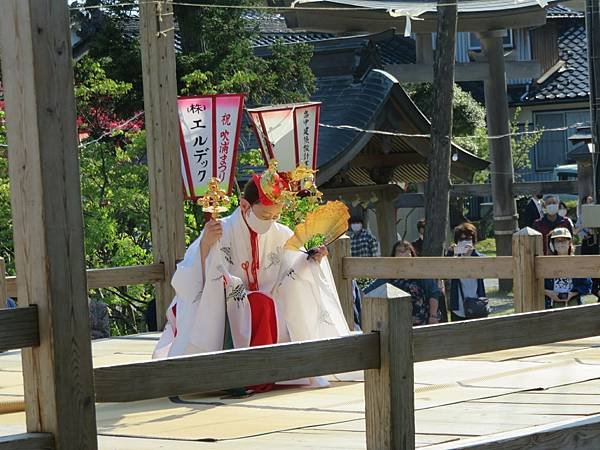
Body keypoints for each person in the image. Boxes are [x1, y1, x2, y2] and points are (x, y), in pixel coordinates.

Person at [153, 167, 349, 390]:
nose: (271, 221)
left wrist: (310, 260)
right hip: (226, 305)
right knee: (259, 304)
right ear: (245, 205)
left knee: (264, 305)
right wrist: (206, 244)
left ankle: (269, 373)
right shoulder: (220, 230)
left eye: (276, 215)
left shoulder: (282, 233)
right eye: (265, 215)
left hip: (267, 308)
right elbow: (190, 276)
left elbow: (289, 275)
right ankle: (248, 376)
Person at [364, 241, 441, 326]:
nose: (403, 252)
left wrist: (433, 316)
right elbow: (368, 291)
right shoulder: (388, 275)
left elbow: (434, 293)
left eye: (406, 250)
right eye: (400, 250)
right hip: (397, 323)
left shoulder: (421, 273)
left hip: (422, 323)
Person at [446, 222, 486, 322]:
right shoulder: (453, 256)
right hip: (458, 308)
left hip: (477, 305)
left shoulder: (478, 257)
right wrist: (451, 253)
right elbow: (445, 271)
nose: (465, 242)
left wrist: (471, 254)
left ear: (473, 240)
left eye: (468, 239)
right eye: (461, 239)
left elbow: (485, 267)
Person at [544, 228, 591, 309]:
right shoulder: (546, 264)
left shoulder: (577, 263)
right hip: (551, 304)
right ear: (552, 244)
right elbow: (537, 286)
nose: (561, 243)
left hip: (573, 303)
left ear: (569, 242)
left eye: (564, 240)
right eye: (557, 241)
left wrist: (572, 294)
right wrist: (550, 293)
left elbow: (587, 285)